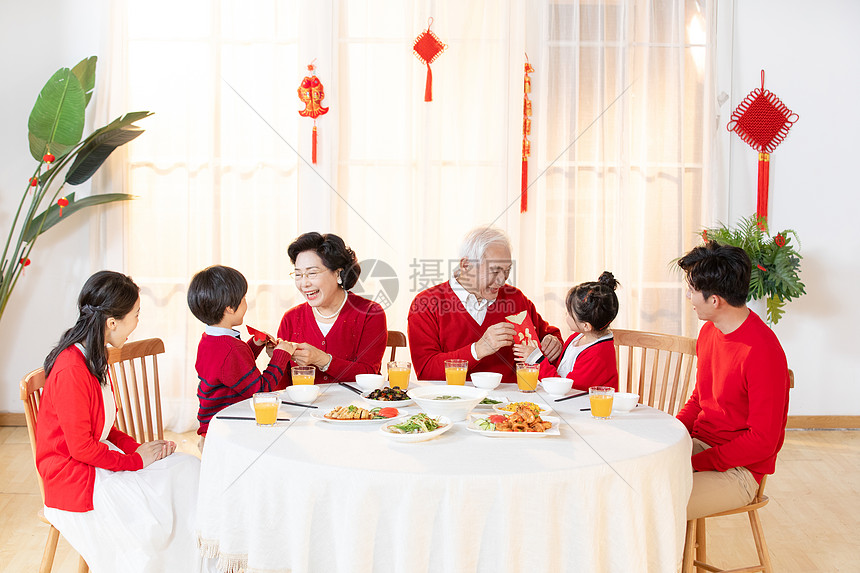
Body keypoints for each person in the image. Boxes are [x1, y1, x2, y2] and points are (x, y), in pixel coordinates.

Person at [36, 271, 213, 572]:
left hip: (93, 461)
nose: (137, 322)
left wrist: (142, 449)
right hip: (75, 478)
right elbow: (80, 448)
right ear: (112, 322)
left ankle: (198, 562)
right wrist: (135, 461)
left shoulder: (93, 356)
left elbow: (105, 427)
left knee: (189, 469)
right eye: (136, 315)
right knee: (154, 509)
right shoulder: (71, 369)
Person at [676, 241, 790, 520]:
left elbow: (763, 441)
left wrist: (697, 463)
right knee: (631, 481)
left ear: (714, 300)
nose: (689, 297)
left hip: (740, 471)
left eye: (692, 291)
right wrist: (670, 435)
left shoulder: (762, 351)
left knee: (657, 502)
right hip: (701, 446)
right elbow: (699, 400)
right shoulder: (709, 333)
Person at [407, 227, 563, 383]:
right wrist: (477, 350)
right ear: (466, 265)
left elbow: (550, 335)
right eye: (495, 271)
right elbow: (426, 370)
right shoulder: (426, 303)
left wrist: (553, 342)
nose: (502, 281)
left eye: (507, 270)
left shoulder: (515, 298)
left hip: (511, 403)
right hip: (453, 399)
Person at [188, 265, 293, 444]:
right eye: (243, 298)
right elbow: (260, 392)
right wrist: (281, 356)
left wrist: (255, 344)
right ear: (229, 307)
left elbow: (233, 372)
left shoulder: (209, 339)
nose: (246, 303)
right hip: (228, 427)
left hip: (211, 422)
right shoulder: (231, 349)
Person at [277, 232, 387, 386]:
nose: (304, 283)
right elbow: (281, 385)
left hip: (354, 408)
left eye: (312, 273)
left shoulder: (369, 313)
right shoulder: (291, 318)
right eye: (298, 274)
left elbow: (369, 374)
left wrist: (322, 360)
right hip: (303, 408)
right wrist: (277, 361)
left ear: (338, 274)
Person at [513, 271, 620, 391]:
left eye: (569, 313)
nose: (566, 315)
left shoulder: (598, 354)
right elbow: (560, 371)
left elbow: (566, 389)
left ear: (586, 326)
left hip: (584, 405)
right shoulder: (576, 338)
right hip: (565, 401)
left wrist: (535, 359)